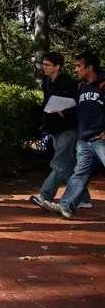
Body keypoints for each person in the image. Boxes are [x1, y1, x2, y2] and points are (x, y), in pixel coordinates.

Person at [46, 51, 105, 220]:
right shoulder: (81, 86)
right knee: (79, 174)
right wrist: (62, 111)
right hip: (84, 140)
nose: (76, 69)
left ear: (90, 67)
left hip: (101, 140)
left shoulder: (103, 84)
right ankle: (66, 206)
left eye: (79, 65)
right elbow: (78, 109)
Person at [29, 52, 92, 211]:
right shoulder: (46, 82)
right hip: (53, 128)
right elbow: (46, 104)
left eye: (47, 64)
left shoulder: (69, 83)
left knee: (59, 162)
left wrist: (64, 111)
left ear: (57, 67)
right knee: (67, 165)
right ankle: (83, 198)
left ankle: (45, 195)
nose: (44, 67)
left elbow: (78, 105)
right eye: (43, 64)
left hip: (68, 128)